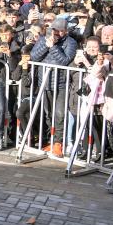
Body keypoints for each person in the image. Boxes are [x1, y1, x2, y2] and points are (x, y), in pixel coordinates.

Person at [29, 18, 78, 157]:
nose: (58, 34)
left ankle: (58, 143)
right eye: (55, 30)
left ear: (66, 31)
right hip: (44, 82)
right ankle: (50, 140)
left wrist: (53, 47)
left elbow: (64, 61)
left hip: (61, 83)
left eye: (61, 31)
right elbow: (33, 57)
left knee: (60, 114)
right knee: (48, 113)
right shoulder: (44, 38)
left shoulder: (71, 42)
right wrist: (46, 45)